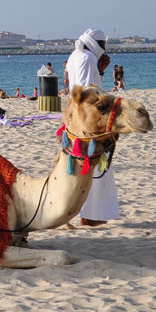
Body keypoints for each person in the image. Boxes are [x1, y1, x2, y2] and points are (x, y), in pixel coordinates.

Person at [67, 28, 118, 227]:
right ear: (95, 43)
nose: (104, 49)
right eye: (103, 45)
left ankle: (84, 214)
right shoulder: (88, 58)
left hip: (76, 118)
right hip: (89, 120)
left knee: (82, 167)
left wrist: (101, 70)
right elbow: (90, 92)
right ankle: (91, 216)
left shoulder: (76, 56)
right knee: (96, 166)